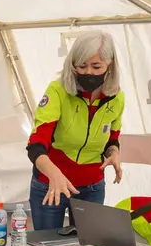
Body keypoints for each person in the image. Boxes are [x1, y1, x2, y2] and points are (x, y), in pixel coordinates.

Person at [25, 31, 125, 230]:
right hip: (50, 184)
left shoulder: (117, 98)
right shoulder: (57, 91)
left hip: (92, 186)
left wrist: (113, 153)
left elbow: (112, 138)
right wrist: (54, 174)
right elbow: (36, 146)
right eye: (81, 66)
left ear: (110, 65)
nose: (88, 72)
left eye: (96, 67)